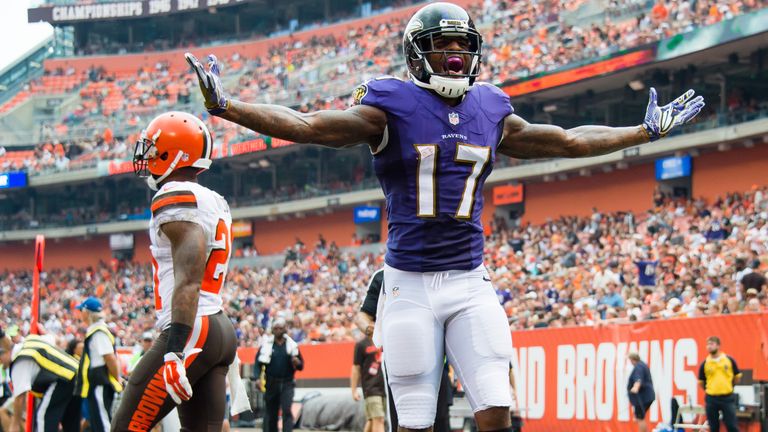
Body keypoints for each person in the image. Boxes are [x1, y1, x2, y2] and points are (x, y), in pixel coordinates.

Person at [186, 2, 704, 428]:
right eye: (443, 44)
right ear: (417, 56)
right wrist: (230, 107)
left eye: (463, 45)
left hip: (470, 282)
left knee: (496, 406)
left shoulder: (491, 107)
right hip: (408, 285)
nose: (455, 55)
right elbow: (308, 124)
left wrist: (641, 133)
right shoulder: (389, 102)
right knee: (414, 422)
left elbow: (567, 139)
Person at [111, 111, 239, 432]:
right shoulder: (216, 200)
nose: (148, 158)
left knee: (126, 428)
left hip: (192, 328)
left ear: (175, 153)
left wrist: (173, 351)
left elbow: (189, 279)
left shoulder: (174, 194)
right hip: (217, 326)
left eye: (153, 151)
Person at [355, 270, 453, 432]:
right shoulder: (383, 276)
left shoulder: (438, 267)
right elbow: (362, 316)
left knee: (440, 421)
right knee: (403, 421)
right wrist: (374, 331)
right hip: (399, 359)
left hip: (436, 359)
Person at [2, 334, 81, 432]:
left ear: (5, 352)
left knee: (42, 417)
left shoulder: (19, 362)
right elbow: (55, 338)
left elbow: (20, 398)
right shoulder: (29, 341)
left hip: (62, 379)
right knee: (70, 421)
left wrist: (15, 425)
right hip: (77, 375)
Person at [75, 297, 122, 432]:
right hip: (97, 383)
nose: (80, 314)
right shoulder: (96, 330)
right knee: (98, 421)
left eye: (82, 310)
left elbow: (110, 358)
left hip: (99, 383)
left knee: (103, 423)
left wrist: (117, 378)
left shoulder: (98, 332)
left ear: (88, 313)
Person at [255, 318, 304, 432]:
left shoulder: (292, 346)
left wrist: (297, 363)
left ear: (285, 329)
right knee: (271, 412)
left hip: (287, 383)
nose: (278, 330)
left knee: (287, 410)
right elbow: (258, 364)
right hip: (271, 383)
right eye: (276, 328)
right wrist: (257, 378)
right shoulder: (267, 346)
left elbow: (301, 366)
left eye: (280, 328)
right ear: (272, 330)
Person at [698, 336, 741, 432]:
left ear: (718, 346)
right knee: (713, 427)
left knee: (732, 426)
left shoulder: (728, 360)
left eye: (712, 344)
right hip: (711, 398)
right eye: (708, 344)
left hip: (727, 398)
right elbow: (701, 382)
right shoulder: (705, 363)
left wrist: (728, 387)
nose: (709, 346)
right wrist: (710, 390)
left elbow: (737, 377)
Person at [351, 327, 386, 432]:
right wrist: (354, 390)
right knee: (378, 419)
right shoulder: (361, 344)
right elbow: (355, 368)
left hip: (384, 388)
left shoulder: (383, 341)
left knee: (372, 420)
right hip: (370, 387)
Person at [627, 353, 655, 432]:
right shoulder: (643, 365)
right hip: (647, 397)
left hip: (642, 398)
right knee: (641, 417)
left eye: (630, 360)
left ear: (633, 360)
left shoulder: (638, 367)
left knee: (640, 418)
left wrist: (636, 387)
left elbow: (638, 378)